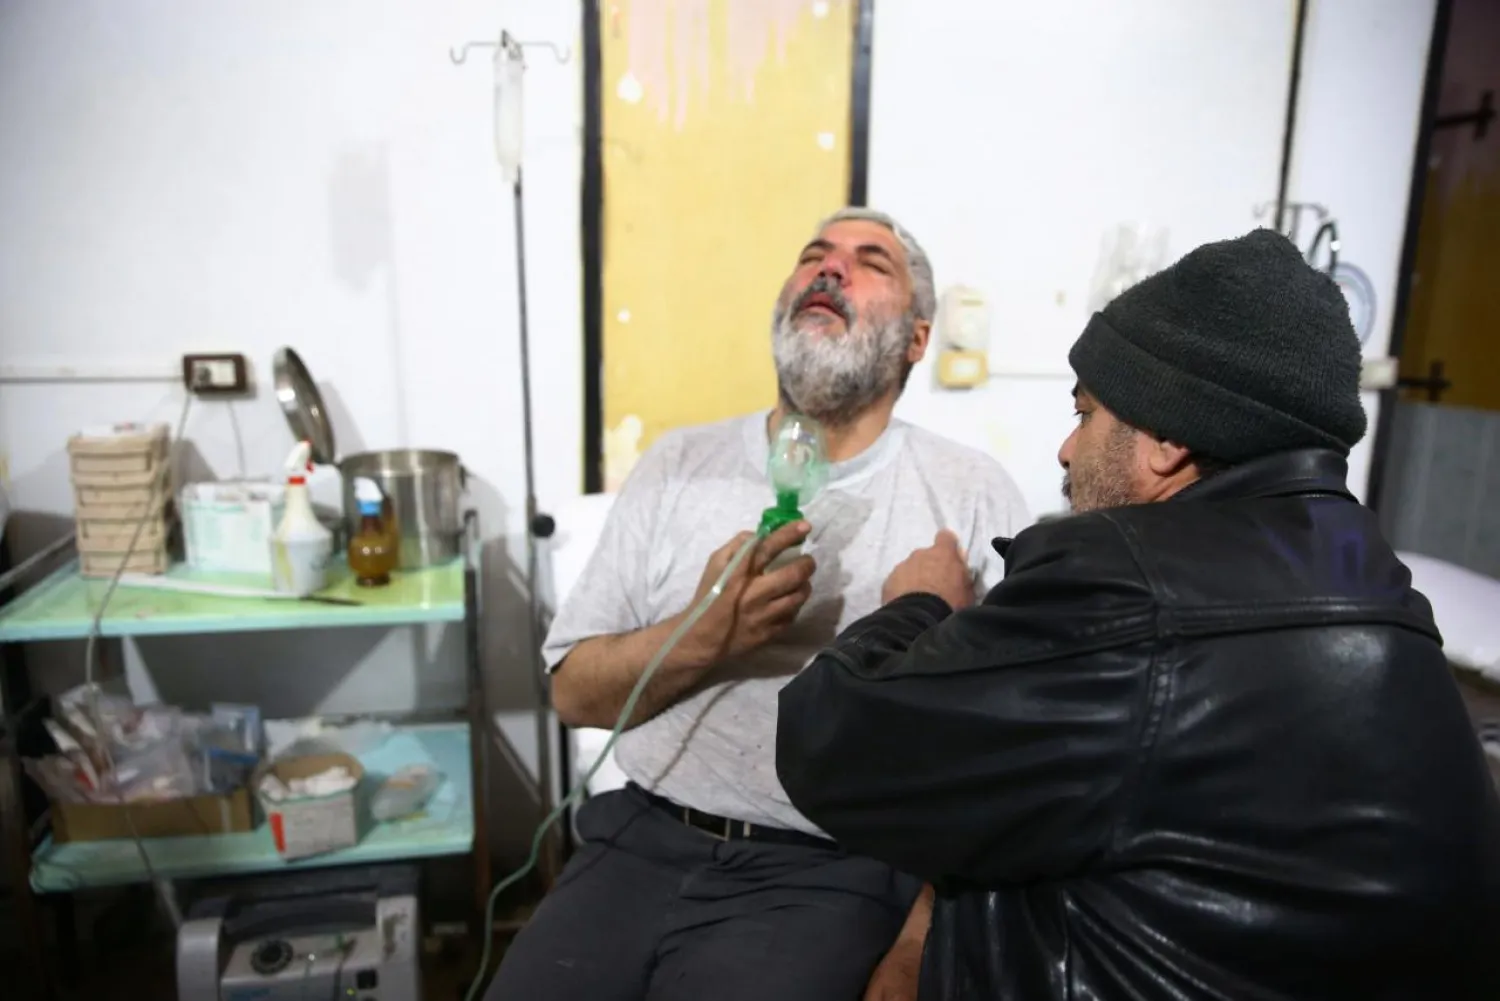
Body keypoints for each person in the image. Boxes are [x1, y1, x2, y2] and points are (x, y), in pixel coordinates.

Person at [776, 228, 1500, 1000]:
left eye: (1084, 413)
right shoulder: (1385, 589)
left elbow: (827, 738)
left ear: (1166, 438)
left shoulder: (1128, 586)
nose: (1062, 448)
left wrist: (918, 604)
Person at [486, 207, 1031, 1001]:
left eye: (870, 261)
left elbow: (1008, 760)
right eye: (814, 253)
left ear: (918, 338)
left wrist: (918, 944)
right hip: (637, 837)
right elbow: (571, 692)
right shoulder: (679, 463)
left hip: (824, 868)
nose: (829, 268)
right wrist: (704, 636)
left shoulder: (970, 495)